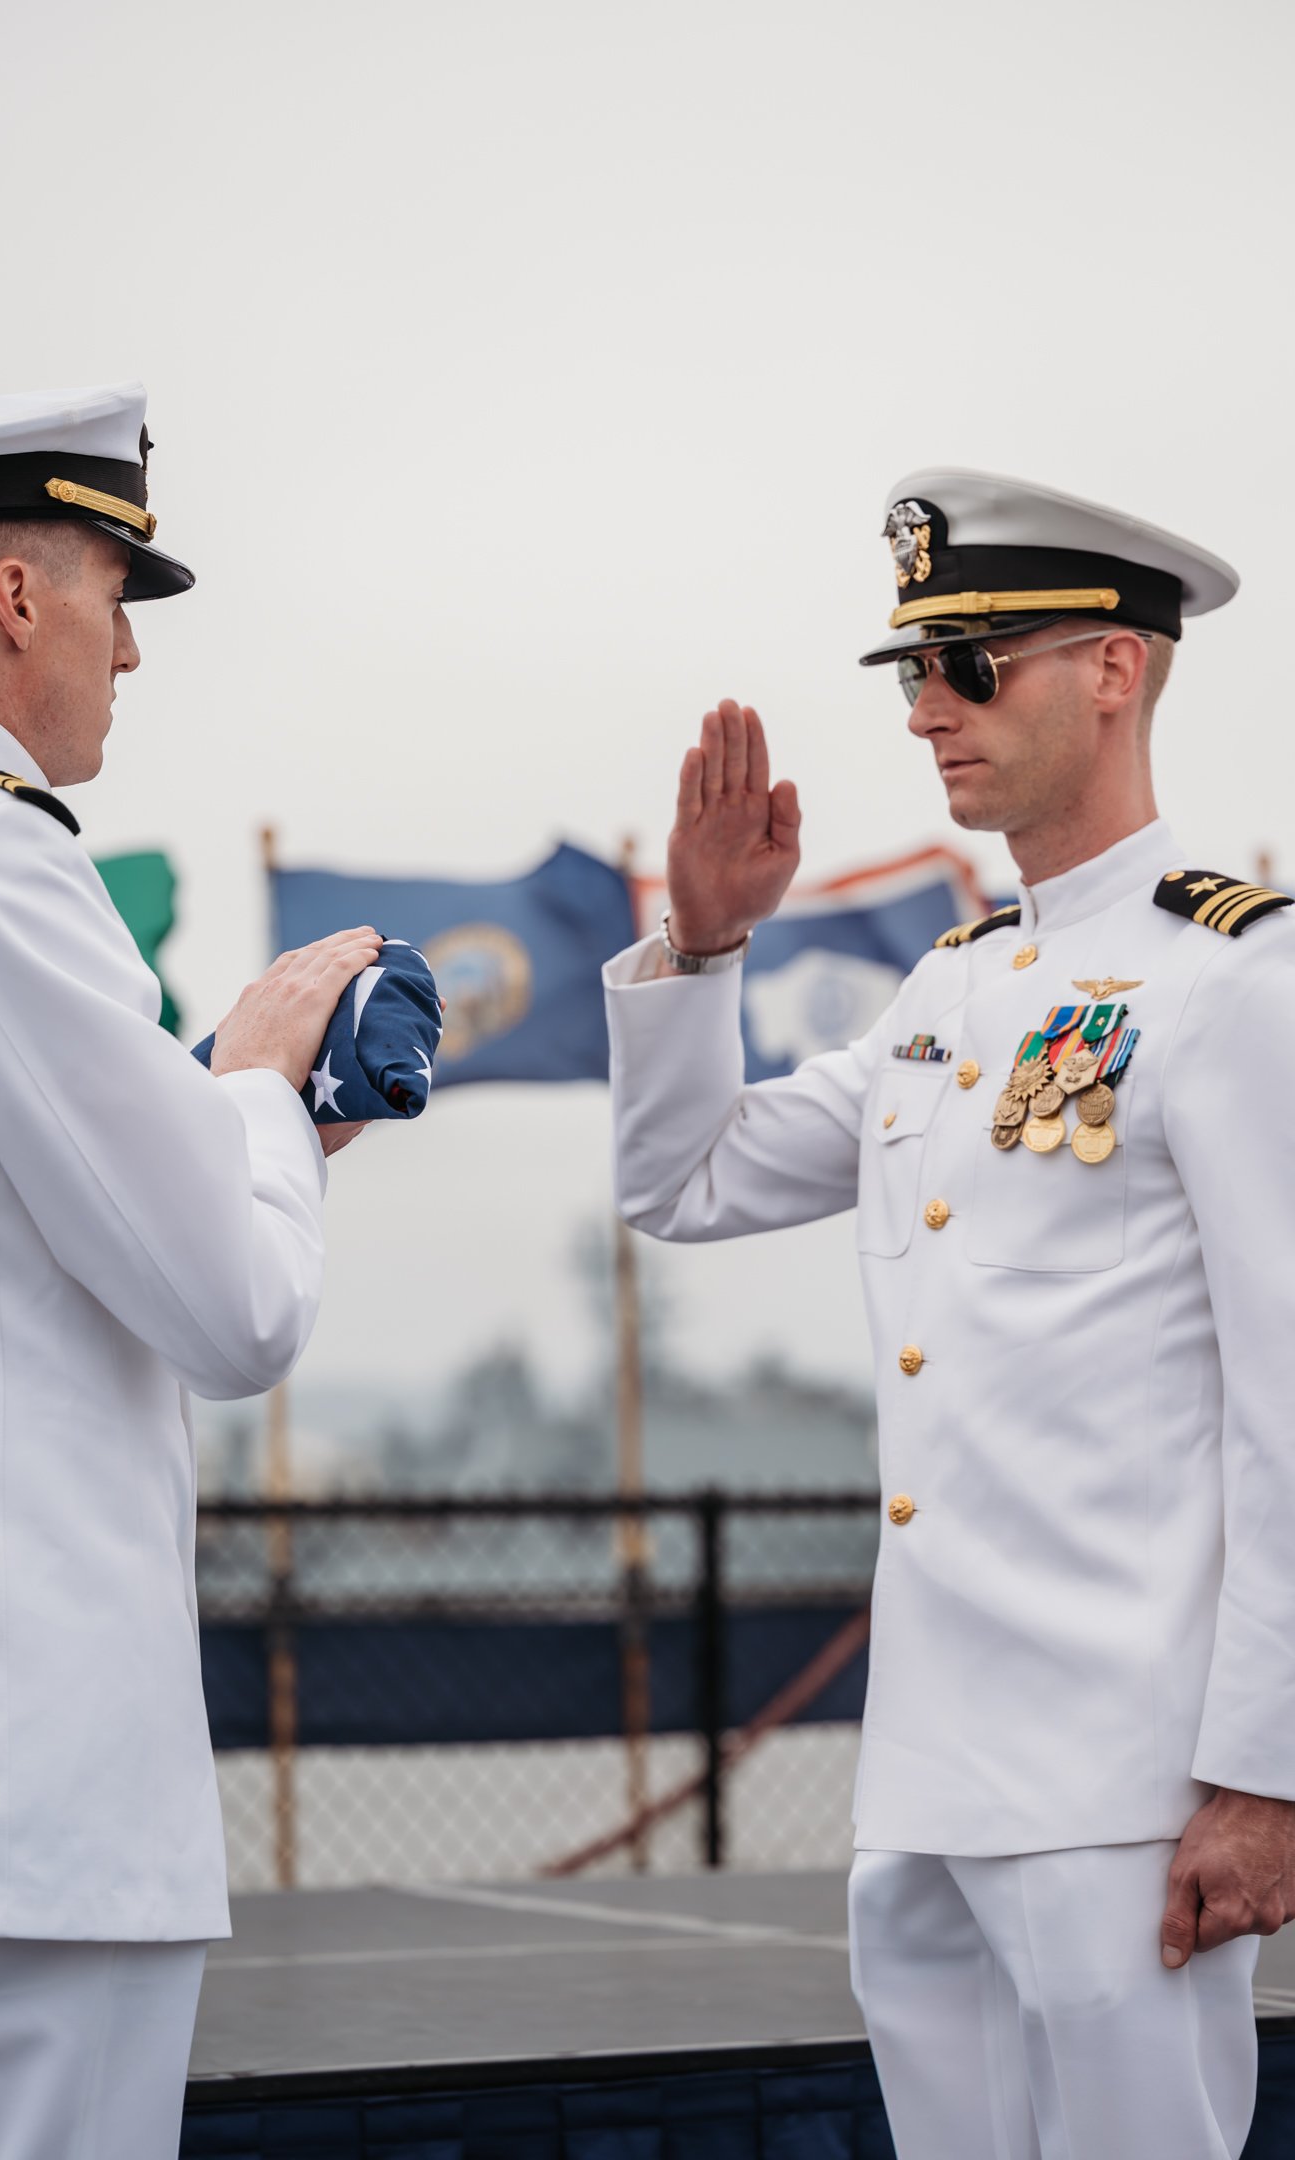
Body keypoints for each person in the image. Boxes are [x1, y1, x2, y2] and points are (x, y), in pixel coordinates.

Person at [603, 468, 1295, 2159]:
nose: (926, 710)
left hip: (1126, 1783)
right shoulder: (956, 989)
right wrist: (701, 949)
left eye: (970, 662)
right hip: (927, 1773)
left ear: (1115, 669)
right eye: (914, 670)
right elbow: (684, 1182)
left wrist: (1269, 1769)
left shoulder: (1240, 982)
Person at [0, 381, 380, 2159]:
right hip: (23, 1785)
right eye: (111, 590)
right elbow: (235, 1311)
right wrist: (262, 1093)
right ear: (16, 597)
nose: (127, 656)